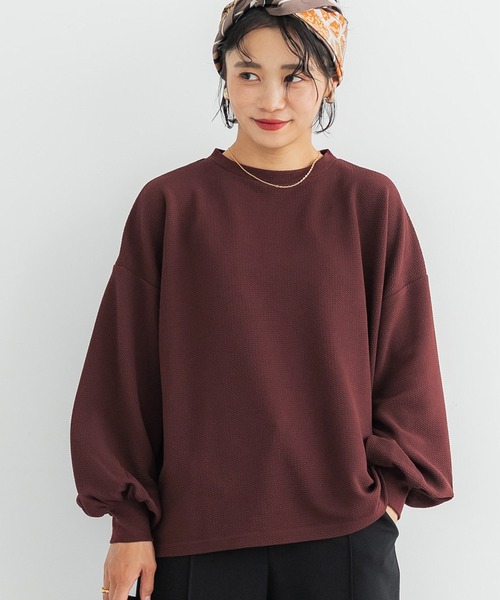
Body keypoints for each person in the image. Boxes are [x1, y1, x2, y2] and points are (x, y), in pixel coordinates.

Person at [70, 1, 454, 599]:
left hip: (345, 537)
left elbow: (408, 364)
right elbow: (122, 371)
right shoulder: (171, 206)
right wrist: (128, 523)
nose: (271, 99)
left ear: (330, 81)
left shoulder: (369, 204)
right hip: (197, 542)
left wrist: (387, 502)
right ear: (223, 74)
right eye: (249, 73)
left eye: (295, 76)